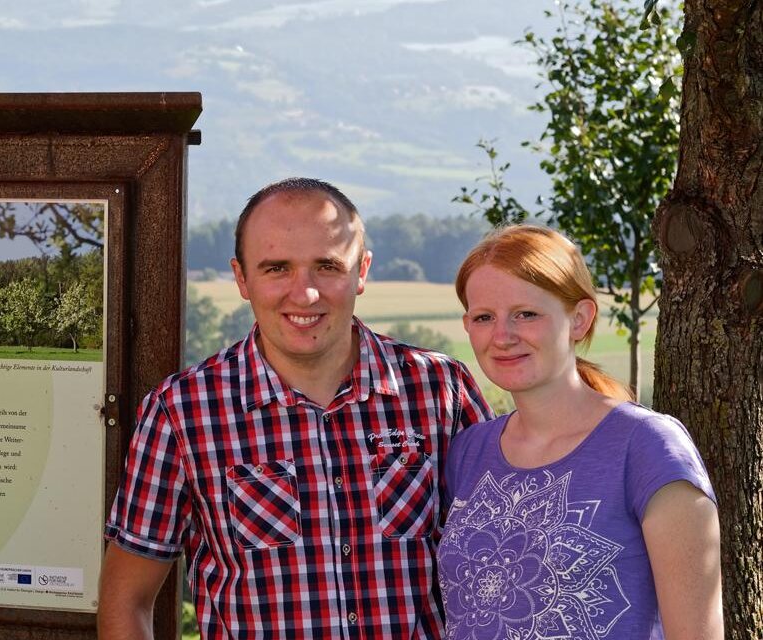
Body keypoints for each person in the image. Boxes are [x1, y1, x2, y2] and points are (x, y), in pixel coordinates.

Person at [98, 178, 491, 639]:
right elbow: (127, 600)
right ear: (242, 278)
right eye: (277, 268)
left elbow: (505, 557)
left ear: (361, 271)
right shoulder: (182, 412)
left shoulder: (439, 389)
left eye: (327, 266)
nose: (304, 294)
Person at [441, 225, 721, 639]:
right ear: (468, 326)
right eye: (485, 318)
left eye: (526, 314)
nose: (503, 336)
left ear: (579, 318)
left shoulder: (647, 448)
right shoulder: (468, 451)